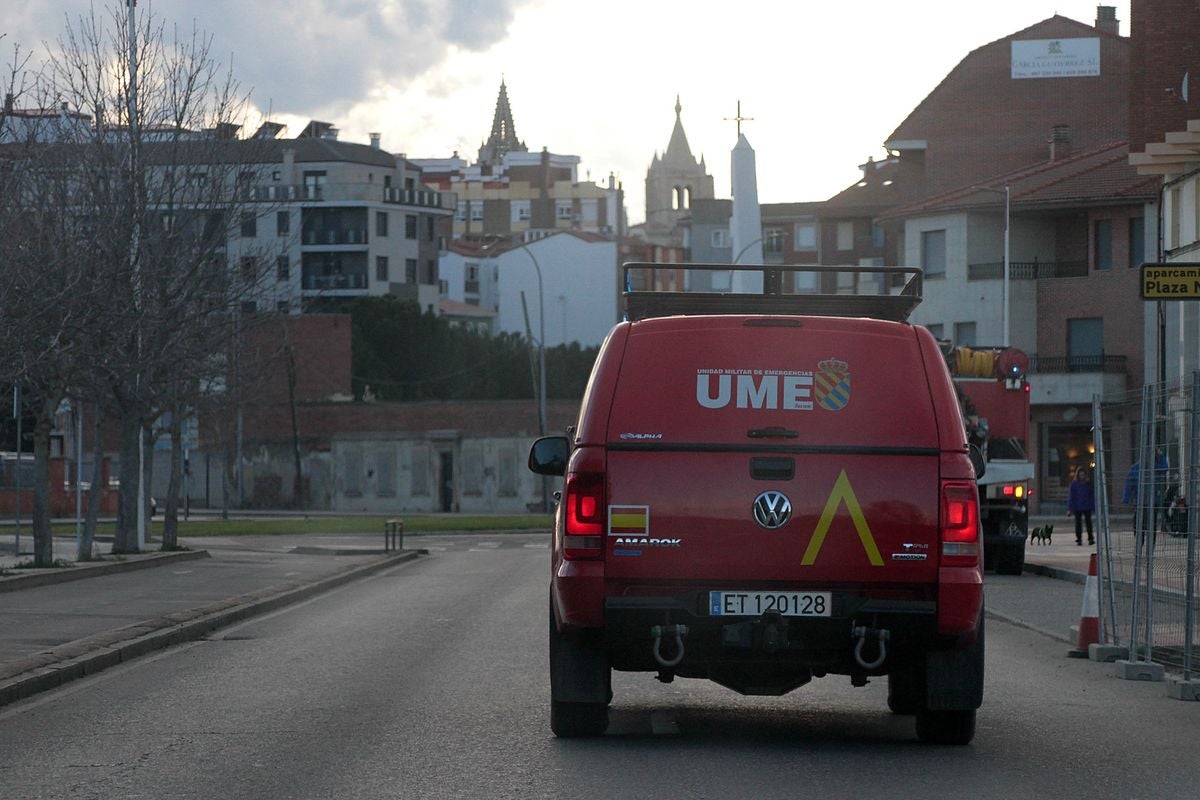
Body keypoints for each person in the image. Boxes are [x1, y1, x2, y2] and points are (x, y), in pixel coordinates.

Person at [1067, 467, 1095, 546]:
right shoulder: (1074, 484)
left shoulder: (1088, 484)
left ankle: (1090, 538)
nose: (1082, 476)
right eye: (1080, 475)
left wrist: (1093, 506)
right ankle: (1079, 539)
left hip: (1087, 506)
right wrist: (1070, 508)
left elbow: (1092, 495)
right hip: (1077, 506)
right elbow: (1071, 496)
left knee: (1088, 523)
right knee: (1078, 524)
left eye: (1083, 475)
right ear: (1078, 475)